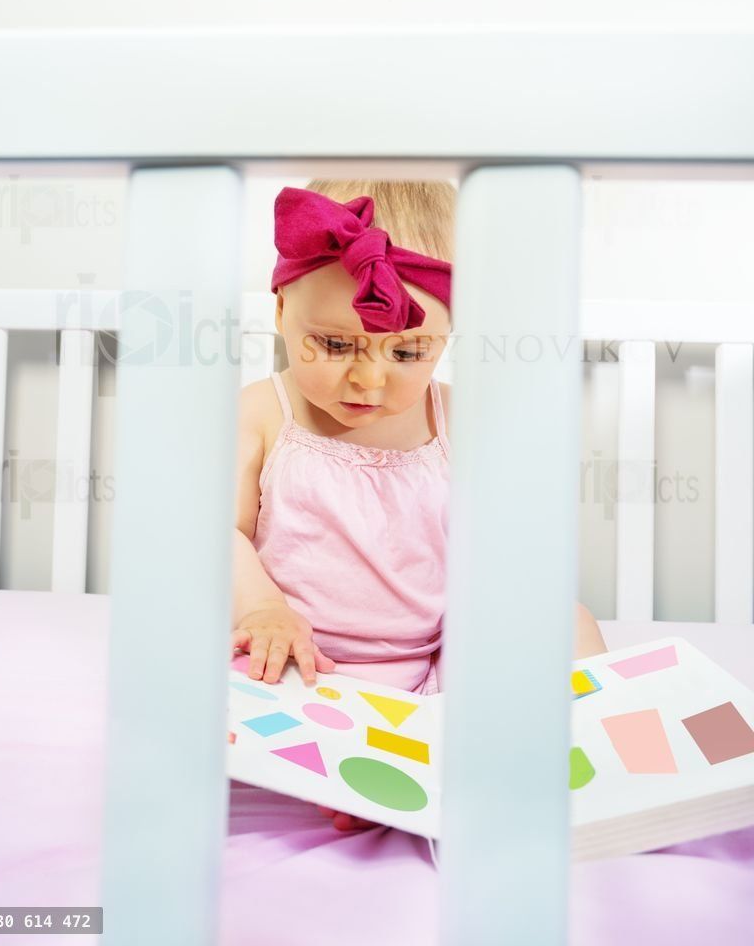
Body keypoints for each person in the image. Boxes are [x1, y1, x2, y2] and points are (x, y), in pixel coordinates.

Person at [229, 178, 607, 835]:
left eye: (408, 352)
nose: (370, 377)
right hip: (304, 663)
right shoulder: (262, 415)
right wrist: (263, 608)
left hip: (436, 670)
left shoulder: (460, 418)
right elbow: (215, 535)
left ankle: (558, 752)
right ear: (282, 306)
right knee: (219, 689)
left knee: (564, 620)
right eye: (336, 344)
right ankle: (363, 774)